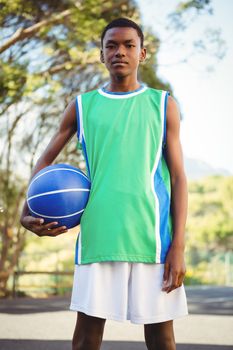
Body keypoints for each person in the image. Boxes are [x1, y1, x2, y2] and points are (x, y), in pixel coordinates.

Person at [21, 17, 188, 350]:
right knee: (86, 336)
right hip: (98, 234)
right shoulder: (82, 106)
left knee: (161, 337)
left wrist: (179, 245)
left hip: (152, 237)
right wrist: (26, 212)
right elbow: (43, 163)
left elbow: (180, 177)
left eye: (128, 45)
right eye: (111, 46)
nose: (120, 52)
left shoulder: (163, 105)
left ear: (143, 53)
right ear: (101, 54)